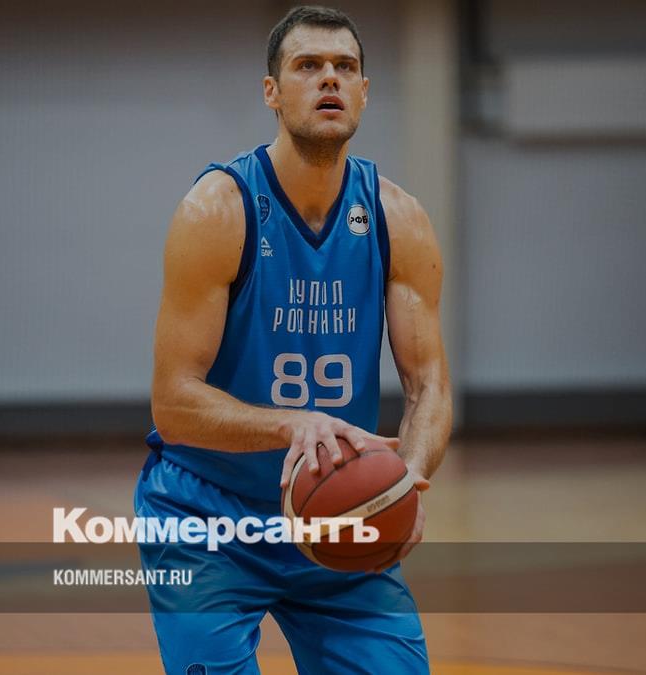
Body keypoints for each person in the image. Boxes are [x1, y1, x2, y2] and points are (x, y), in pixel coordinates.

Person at [135, 6, 452, 673]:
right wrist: (292, 424)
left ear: (364, 90)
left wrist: (409, 478)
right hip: (207, 516)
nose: (329, 79)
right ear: (272, 92)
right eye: (308, 66)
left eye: (345, 67)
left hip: (336, 506)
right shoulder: (217, 210)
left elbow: (429, 386)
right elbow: (173, 402)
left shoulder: (398, 218)